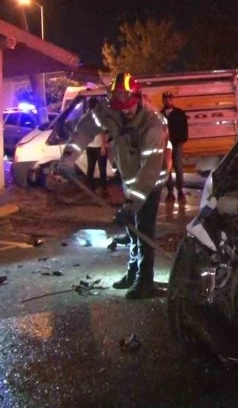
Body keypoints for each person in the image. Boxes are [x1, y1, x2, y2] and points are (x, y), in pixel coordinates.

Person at [60, 72, 170, 299]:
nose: (124, 112)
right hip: (129, 178)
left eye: (129, 108)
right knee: (131, 229)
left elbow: (149, 171)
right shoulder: (110, 109)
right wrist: (68, 157)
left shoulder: (153, 124)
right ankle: (133, 273)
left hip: (149, 183)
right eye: (120, 108)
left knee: (143, 229)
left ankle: (145, 282)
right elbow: (85, 128)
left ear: (138, 99)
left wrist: (131, 204)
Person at [161, 92, 189, 202]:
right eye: (166, 99)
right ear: (163, 101)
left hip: (177, 144)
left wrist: (182, 139)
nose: (168, 101)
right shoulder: (161, 114)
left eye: (169, 99)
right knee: (167, 168)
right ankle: (170, 192)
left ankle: (180, 191)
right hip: (166, 144)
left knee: (178, 167)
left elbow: (185, 128)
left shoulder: (179, 113)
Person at [86, 130, 109, 196]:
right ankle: (94, 188)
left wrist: (103, 146)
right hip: (92, 147)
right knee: (92, 168)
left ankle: (102, 189)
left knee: (99, 168)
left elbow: (103, 132)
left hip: (96, 147)